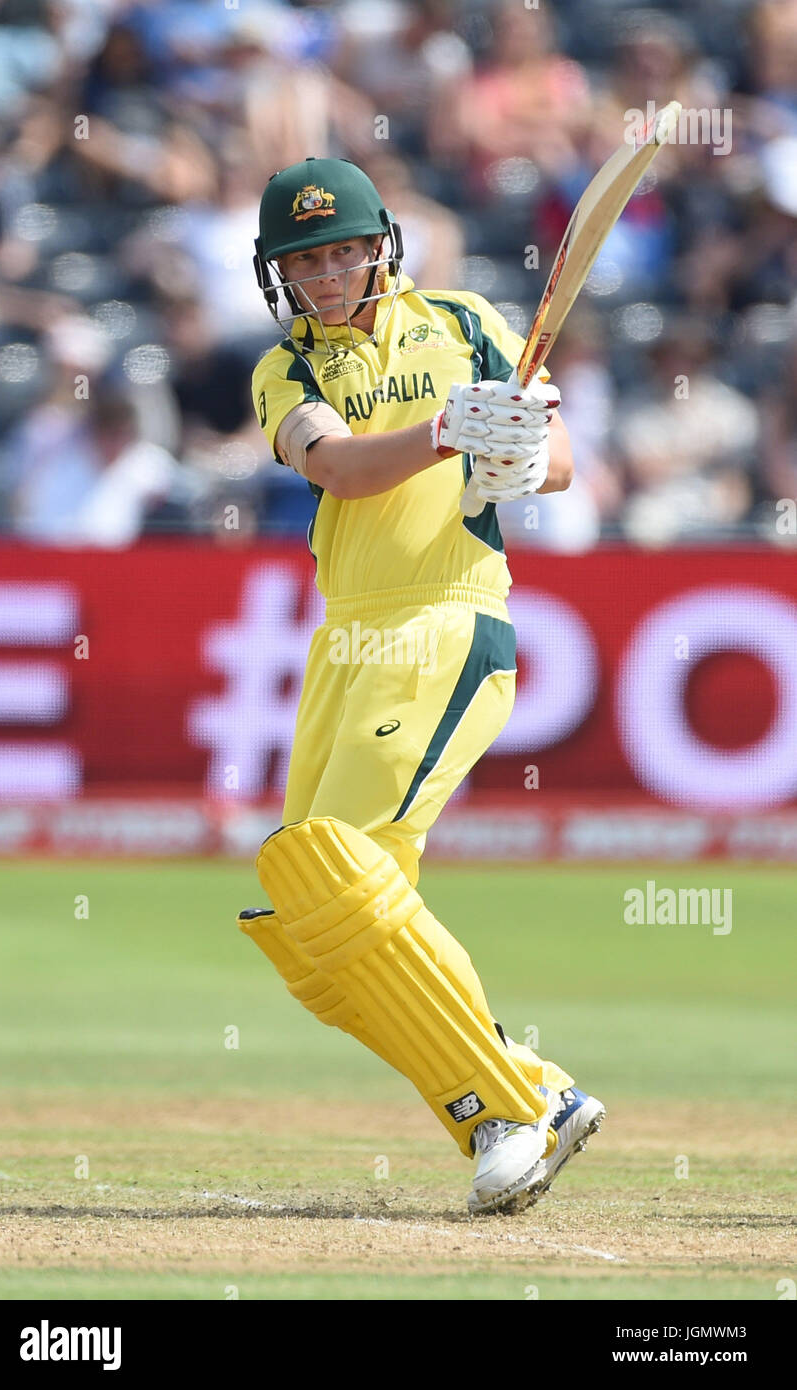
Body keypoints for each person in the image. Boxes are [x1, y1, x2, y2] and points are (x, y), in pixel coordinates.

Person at [239, 156, 605, 1214]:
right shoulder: (281, 371)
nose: (327, 272)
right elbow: (341, 469)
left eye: (343, 249)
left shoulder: (462, 319)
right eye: (304, 260)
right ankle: (539, 1088)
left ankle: (499, 1113)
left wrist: (515, 458)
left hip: (446, 616)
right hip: (343, 638)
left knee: (330, 863)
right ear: (280, 275)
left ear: (379, 246)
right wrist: (447, 430)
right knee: (310, 929)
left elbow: (565, 458)